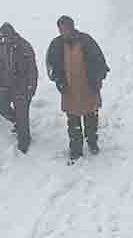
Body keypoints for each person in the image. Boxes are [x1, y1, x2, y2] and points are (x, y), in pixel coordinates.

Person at [45, 15, 109, 161]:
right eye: (61, 28)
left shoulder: (86, 40)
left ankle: (92, 142)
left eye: (65, 27)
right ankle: (76, 149)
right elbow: (51, 66)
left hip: (88, 87)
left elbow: (99, 59)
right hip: (69, 90)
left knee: (91, 118)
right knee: (73, 122)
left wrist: (98, 78)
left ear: (72, 27)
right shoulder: (56, 45)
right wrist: (58, 81)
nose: (63, 31)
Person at [0, 22, 38, 153]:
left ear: (12, 35)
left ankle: (24, 141)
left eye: (5, 38)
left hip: (22, 86)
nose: (3, 41)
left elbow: (32, 70)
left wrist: (31, 88)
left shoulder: (25, 47)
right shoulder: (2, 46)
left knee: (23, 114)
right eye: (1, 39)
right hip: (6, 84)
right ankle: (17, 121)